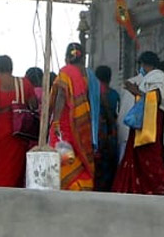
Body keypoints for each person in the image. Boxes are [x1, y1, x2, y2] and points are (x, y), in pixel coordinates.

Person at [113, 51, 164, 195]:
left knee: (151, 156)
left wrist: (135, 91)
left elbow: (156, 99)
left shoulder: (158, 77)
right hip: (144, 123)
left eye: (142, 64)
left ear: (146, 64)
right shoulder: (148, 78)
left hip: (153, 125)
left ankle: (157, 188)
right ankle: (138, 188)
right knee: (138, 155)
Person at [0, 55, 36, 187]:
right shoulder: (24, 83)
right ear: (11, 68)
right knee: (14, 172)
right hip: (17, 133)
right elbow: (34, 105)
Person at [49, 42, 97, 191]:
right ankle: (82, 183)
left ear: (66, 57)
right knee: (79, 154)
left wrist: (55, 120)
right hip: (83, 121)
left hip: (65, 122)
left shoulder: (66, 72)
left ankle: (69, 185)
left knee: (63, 154)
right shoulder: (89, 75)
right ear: (83, 58)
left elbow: (61, 96)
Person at [92, 64, 120, 191]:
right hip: (110, 131)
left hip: (96, 131)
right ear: (109, 78)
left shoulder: (92, 92)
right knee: (109, 162)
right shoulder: (114, 94)